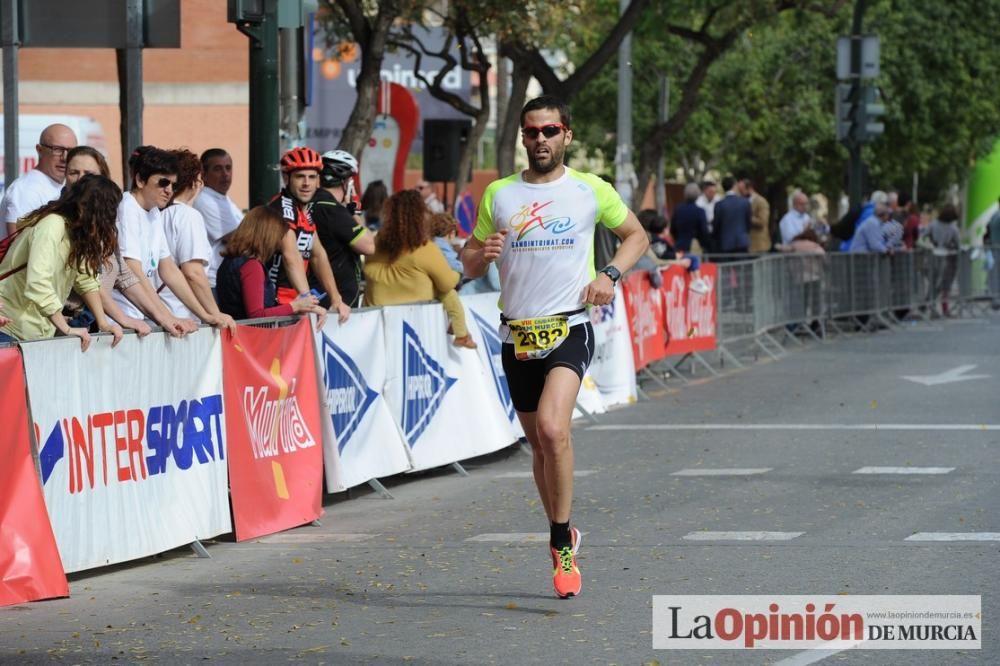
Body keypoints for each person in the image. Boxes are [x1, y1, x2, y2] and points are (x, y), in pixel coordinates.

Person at [461, 95, 648, 599]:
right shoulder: (499, 193)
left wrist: (610, 273)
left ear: (567, 135)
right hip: (515, 332)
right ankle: (562, 531)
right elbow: (469, 262)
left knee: (552, 428)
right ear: (522, 137)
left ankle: (561, 541)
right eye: (531, 132)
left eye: (549, 131)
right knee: (539, 445)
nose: (539, 140)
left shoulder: (590, 189)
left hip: (569, 326)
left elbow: (636, 235)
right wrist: (483, 252)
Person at [113, 146, 232, 334]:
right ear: (140, 180)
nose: (169, 190)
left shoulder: (154, 213)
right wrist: (166, 316)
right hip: (121, 320)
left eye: (173, 185)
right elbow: (133, 269)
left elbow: (169, 270)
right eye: (163, 183)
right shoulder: (127, 207)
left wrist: (205, 314)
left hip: (141, 317)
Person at [0, 175, 124, 349]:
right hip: (8, 328)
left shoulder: (75, 232)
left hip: (33, 332)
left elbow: (86, 280)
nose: (110, 221)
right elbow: (38, 283)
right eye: (107, 212)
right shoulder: (52, 226)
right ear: (85, 208)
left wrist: (103, 323)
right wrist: (65, 328)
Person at [364, 190, 477, 349]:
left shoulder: (376, 244)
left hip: (376, 327)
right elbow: (447, 283)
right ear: (421, 216)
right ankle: (461, 332)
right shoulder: (425, 249)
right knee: (445, 291)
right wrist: (457, 272)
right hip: (416, 327)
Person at [60, 147, 152, 337]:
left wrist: (165, 318)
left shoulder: (103, 219)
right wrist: (120, 318)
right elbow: (88, 280)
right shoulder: (62, 219)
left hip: (91, 320)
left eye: (88, 174)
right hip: (65, 323)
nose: (80, 180)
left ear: (103, 177)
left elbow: (122, 274)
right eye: (73, 172)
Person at [268, 147, 350, 323]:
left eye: (312, 177)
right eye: (300, 177)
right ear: (286, 178)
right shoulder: (283, 209)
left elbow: (318, 255)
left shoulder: (304, 211)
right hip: (277, 305)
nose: (306, 183)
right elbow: (291, 256)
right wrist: (309, 302)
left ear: (318, 181)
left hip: (296, 303)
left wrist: (337, 299)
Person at [158, 149, 235, 329]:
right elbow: (193, 273)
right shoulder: (187, 216)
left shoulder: (158, 214)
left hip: (162, 313)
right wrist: (214, 314)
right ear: (197, 182)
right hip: (181, 316)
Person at [216, 206, 326, 321]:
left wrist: (297, 306)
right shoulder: (251, 266)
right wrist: (295, 306)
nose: (279, 243)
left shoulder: (230, 260)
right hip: (250, 335)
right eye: (278, 236)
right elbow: (256, 315)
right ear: (268, 236)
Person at [311, 150, 375, 308]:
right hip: (337, 302)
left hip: (317, 293)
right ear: (347, 183)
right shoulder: (333, 210)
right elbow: (368, 246)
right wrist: (355, 213)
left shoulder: (312, 203)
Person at [1, 123, 78, 238]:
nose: (65, 158)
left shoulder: (58, 187)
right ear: (39, 150)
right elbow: (16, 246)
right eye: (57, 150)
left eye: (71, 151)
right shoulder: (27, 190)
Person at [192, 148, 244, 289]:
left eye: (228, 168)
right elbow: (238, 239)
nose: (225, 174)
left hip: (228, 278)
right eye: (217, 169)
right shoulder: (205, 201)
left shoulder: (224, 199)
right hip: (216, 282)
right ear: (204, 174)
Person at [637, 209, 710, 293]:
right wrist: (678, 261)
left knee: (693, 258)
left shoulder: (652, 239)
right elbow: (658, 260)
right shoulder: (651, 241)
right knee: (692, 258)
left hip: (664, 267)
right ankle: (696, 281)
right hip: (653, 278)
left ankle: (697, 280)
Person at [924, 203, 961, 316]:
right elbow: (958, 244)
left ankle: (931, 307)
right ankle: (945, 308)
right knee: (946, 286)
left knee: (933, 283)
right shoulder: (953, 227)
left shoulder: (933, 224)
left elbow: (922, 236)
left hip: (933, 257)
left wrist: (931, 244)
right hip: (948, 258)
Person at [710, 175, 752, 256]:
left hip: (725, 244)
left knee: (727, 268)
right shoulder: (745, 202)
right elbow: (748, 224)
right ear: (734, 185)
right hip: (742, 242)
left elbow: (716, 226)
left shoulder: (719, 205)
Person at [671, 182, 712, 253]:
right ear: (697, 195)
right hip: (695, 247)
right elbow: (704, 232)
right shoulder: (700, 211)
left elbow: (673, 229)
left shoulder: (678, 209)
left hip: (679, 246)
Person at [743, 178, 771, 253]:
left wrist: (746, 217)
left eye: (742, 190)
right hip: (747, 245)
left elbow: (762, 221)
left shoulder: (761, 201)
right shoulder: (743, 200)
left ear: (749, 188)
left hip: (758, 246)